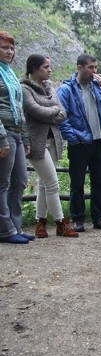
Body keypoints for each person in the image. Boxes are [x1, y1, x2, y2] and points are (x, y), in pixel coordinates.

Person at [57, 53, 101, 232]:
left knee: (100, 182)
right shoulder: (66, 89)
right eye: (91, 68)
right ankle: (77, 219)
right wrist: (74, 138)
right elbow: (62, 117)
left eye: (95, 67)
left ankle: (98, 217)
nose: (94, 71)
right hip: (79, 144)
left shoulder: (98, 87)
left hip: (99, 141)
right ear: (80, 68)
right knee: (77, 182)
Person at [21, 54, 78, 238]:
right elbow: (35, 110)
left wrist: (50, 110)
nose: (50, 70)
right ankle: (61, 223)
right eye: (46, 67)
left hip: (53, 139)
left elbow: (63, 113)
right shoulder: (24, 88)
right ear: (35, 68)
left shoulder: (49, 87)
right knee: (52, 183)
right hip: (36, 143)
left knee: (44, 185)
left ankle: (40, 223)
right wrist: (53, 109)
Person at [0, 31, 34, 244]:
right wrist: (1, 137)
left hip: (17, 132)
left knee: (20, 180)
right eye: (5, 48)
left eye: (12, 48)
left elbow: (19, 108)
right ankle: (5, 229)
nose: (10, 52)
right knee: (2, 182)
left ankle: (15, 225)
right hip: (4, 133)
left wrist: (25, 137)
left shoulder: (9, 73)